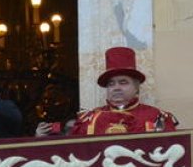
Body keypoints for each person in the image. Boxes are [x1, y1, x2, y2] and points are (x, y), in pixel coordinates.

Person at [46, 46, 177, 137]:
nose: (116, 87)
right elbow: (68, 150)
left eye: (123, 82)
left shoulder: (156, 117)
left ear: (136, 88)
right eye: (111, 83)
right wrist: (43, 136)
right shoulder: (88, 119)